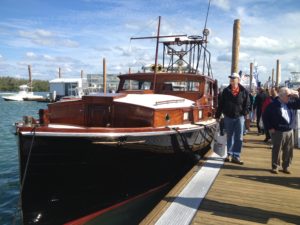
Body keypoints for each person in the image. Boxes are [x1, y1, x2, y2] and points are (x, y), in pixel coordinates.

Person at [263, 87, 300, 174]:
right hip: (278, 130)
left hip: (289, 130)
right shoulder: (273, 105)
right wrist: (270, 127)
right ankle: (275, 166)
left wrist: (297, 96)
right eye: (288, 95)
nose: (289, 97)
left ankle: (286, 166)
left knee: (288, 150)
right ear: (281, 96)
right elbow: (265, 117)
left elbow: (299, 104)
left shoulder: (290, 103)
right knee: (277, 150)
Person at [215, 72, 250, 164]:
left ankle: (236, 155)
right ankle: (229, 154)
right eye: (231, 78)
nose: (232, 80)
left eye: (234, 78)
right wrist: (217, 116)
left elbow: (248, 104)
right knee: (230, 136)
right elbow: (221, 104)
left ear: (238, 80)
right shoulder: (226, 91)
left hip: (239, 117)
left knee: (239, 137)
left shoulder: (244, 91)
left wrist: (244, 113)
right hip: (228, 117)